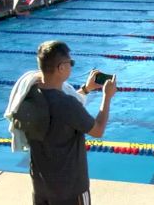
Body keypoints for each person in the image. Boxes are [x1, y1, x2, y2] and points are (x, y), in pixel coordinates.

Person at [27, 41, 117, 204]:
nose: (72, 66)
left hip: (41, 186)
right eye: (71, 63)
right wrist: (107, 97)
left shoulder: (30, 94)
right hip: (70, 190)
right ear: (61, 68)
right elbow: (98, 131)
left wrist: (86, 89)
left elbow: (60, 109)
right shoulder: (66, 103)